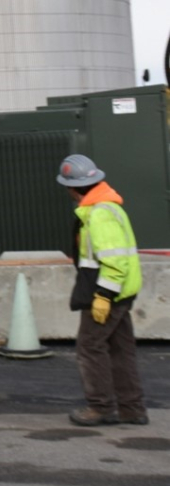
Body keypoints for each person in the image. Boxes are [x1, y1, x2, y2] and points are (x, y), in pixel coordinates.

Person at [57, 154, 147, 427]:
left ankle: (100, 407)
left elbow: (114, 261)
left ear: (73, 188)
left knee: (90, 347)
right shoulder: (108, 207)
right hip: (121, 292)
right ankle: (132, 409)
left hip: (106, 292)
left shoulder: (99, 214)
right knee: (120, 349)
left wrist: (104, 296)